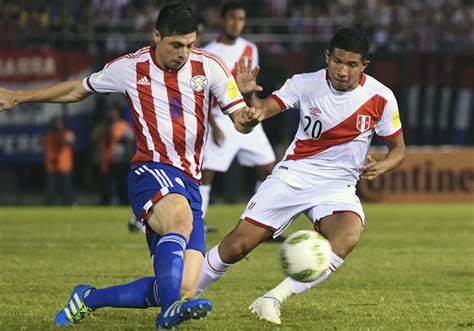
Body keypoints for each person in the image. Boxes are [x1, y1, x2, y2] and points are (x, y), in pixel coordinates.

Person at [0, 4, 264, 329]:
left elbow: (239, 118)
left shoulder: (209, 66)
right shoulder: (131, 67)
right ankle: (168, 310)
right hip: (150, 171)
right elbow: (76, 90)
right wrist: (18, 97)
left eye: (190, 44)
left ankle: (88, 298)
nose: (184, 53)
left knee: (186, 288)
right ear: (157, 36)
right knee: (179, 217)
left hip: (190, 181)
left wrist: (249, 119)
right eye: (176, 45)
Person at [196, 27, 406, 325]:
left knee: (347, 236)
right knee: (236, 246)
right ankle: (182, 294)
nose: (342, 71)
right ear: (327, 57)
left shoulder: (381, 97)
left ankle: (272, 298)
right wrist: (246, 96)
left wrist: (381, 166)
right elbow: (261, 113)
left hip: (338, 186)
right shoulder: (303, 84)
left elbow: (398, 150)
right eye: (337, 61)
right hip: (292, 177)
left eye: (351, 65)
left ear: (364, 66)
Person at [199, 2, 276, 226]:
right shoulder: (208, 52)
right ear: (221, 20)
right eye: (232, 18)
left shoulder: (251, 48)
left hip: (247, 114)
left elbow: (251, 85)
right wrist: (211, 125)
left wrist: (254, 109)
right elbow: (203, 94)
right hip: (220, 118)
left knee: (269, 171)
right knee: (206, 174)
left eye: (241, 19)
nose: (236, 23)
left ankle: (261, 224)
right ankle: (196, 224)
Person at [93, 106, 134, 205]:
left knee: (121, 182)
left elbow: (130, 139)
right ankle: (105, 201)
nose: (112, 115)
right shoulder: (103, 126)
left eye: (113, 112)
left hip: (120, 159)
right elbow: (94, 137)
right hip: (106, 159)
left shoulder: (123, 125)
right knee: (106, 183)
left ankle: (123, 201)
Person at [43, 115, 76, 206]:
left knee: (67, 186)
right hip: (52, 165)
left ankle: (70, 202)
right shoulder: (48, 134)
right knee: (51, 188)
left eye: (59, 123)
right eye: (55, 123)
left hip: (64, 165)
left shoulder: (68, 133)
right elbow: (41, 143)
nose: (57, 125)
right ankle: (49, 204)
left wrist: (61, 132)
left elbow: (70, 141)